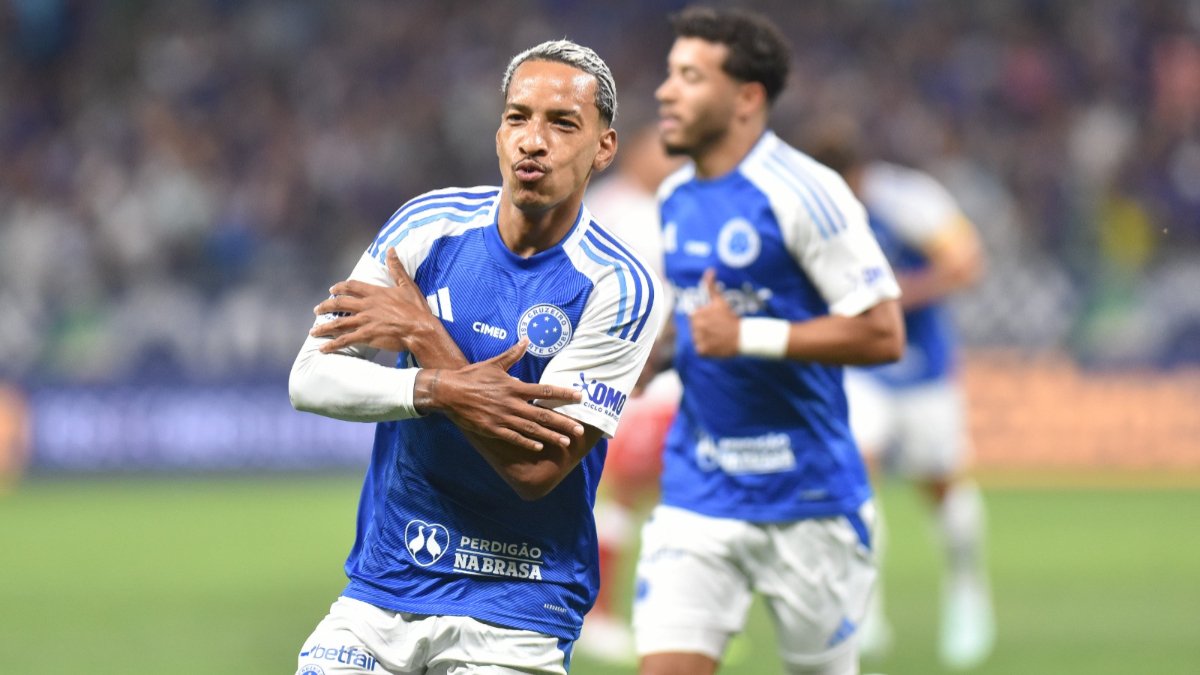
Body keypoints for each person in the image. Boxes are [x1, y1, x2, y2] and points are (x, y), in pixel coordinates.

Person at [288, 39, 662, 675]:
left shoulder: (619, 287)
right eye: (518, 117)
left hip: (521, 607)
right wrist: (435, 389)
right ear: (498, 133)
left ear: (604, 146)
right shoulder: (427, 227)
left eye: (562, 122)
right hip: (387, 588)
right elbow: (310, 377)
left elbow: (537, 469)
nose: (533, 141)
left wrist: (427, 341)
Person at [631, 7, 905, 675]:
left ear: (747, 98)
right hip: (701, 487)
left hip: (808, 500)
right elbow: (701, 319)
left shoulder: (809, 192)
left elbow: (882, 330)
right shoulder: (673, 196)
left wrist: (746, 334)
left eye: (690, 76)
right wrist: (652, 356)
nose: (666, 91)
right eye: (669, 74)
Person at [806, 116, 995, 670]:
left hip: (924, 371)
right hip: (862, 370)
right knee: (854, 478)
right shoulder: (813, 211)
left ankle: (968, 591)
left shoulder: (908, 199)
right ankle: (864, 608)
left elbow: (966, 262)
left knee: (941, 485)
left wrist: (893, 296)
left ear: (861, 176)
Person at [576, 124, 683, 662]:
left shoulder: (674, 210)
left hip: (669, 371)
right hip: (622, 372)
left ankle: (661, 610)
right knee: (620, 491)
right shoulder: (610, 207)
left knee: (661, 495)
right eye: (662, 152)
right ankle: (596, 612)